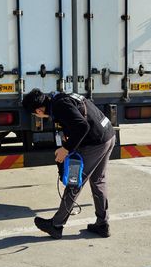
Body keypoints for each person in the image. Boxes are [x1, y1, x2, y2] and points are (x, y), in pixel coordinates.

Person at [22, 88, 116, 239]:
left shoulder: (60, 106)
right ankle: (102, 224)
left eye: (35, 114)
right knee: (98, 180)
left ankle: (56, 225)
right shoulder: (59, 98)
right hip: (107, 135)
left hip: (96, 142)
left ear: (39, 110)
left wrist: (65, 149)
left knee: (74, 181)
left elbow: (82, 126)